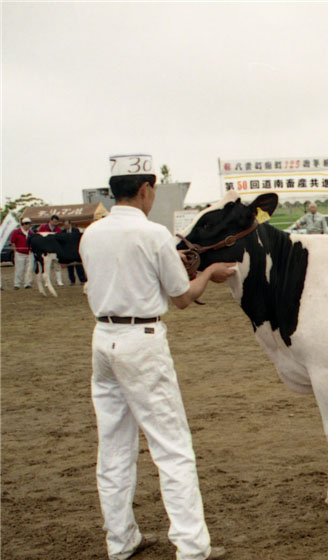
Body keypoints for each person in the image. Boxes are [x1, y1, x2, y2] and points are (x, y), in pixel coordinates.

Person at [79, 154, 233, 560]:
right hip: (142, 341)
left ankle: (121, 540)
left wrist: (173, 265)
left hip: (104, 337)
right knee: (172, 447)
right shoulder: (154, 234)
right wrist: (207, 273)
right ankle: (193, 547)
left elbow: (120, 274)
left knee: (113, 447)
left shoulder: (91, 234)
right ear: (146, 189)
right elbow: (182, 298)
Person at [39, 214, 65, 286]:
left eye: (56, 222)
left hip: (55, 250)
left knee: (57, 266)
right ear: (50, 221)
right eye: (54, 221)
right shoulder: (43, 227)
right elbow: (40, 238)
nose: (55, 223)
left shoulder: (58, 229)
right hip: (46, 251)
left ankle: (59, 281)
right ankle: (46, 282)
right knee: (46, 267)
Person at [10, 217, 34, 289]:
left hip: (29, 253)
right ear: (23, 224)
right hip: (19, 253)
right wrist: (15, 252)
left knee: (29, 269)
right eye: (27, 224)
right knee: (19, 269)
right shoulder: (16, 232)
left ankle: (27, 283)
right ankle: (17, 284)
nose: (28, 226)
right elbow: (13, 242)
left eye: (29, 224)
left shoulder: (31, 233)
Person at [62, 219, 87, 284]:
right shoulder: (63, 232)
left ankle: (82, 280)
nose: (66, 226)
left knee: (79, 266)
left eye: (67, 225)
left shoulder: (76, 230)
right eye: (65, 225)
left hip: (75, 250)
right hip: (67, 252)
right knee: (70, 267)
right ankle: (72, 281)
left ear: (70, 224)